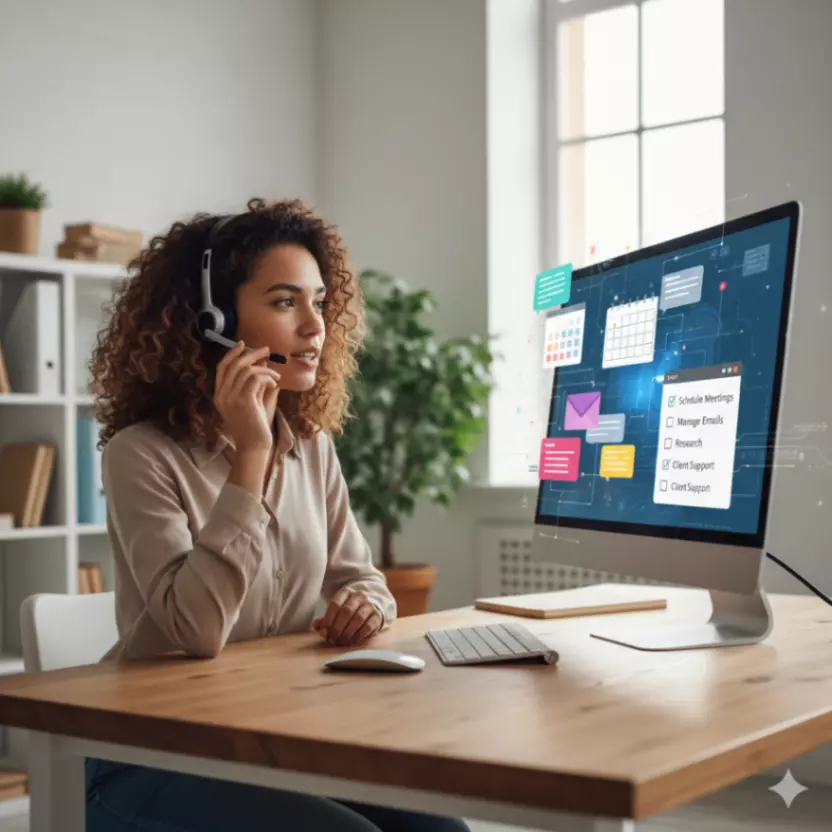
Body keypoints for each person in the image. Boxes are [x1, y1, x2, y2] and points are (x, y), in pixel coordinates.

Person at [85, 197, 469, 832]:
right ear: (211, 320)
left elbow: (362, 579)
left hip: (267, 744)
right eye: (286, 302)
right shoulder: (141, 455)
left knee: (442, 830)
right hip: (148, 758)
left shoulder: (312, 447)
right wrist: (251, 455)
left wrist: (365, 606)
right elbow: (196, 630)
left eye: (319, 301)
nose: (315, 326)